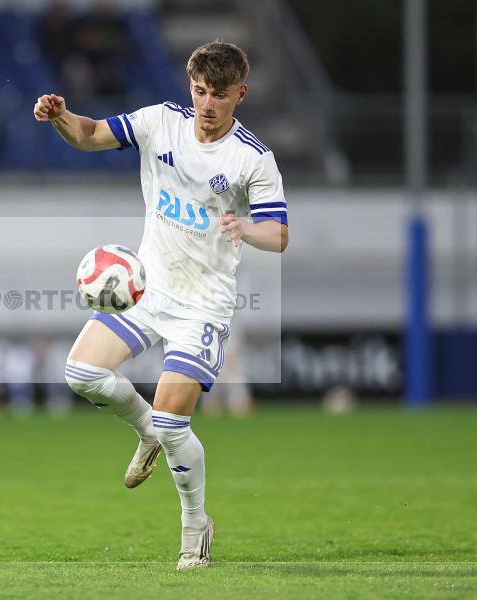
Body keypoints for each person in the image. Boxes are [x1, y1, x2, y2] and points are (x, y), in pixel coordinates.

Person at [33, 41, 289, 569]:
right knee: (80, 371)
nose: (208, 104)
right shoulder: (159, 122)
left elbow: (280, 234)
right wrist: (60, 117)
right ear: (190, 88)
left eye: (219, 94)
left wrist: (247, 227)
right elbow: (90, 135)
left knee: (178, 426)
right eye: (199, 92)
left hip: (203, 303)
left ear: (240, 93)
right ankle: (145, 428)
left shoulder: (252, 159)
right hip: (148, 287)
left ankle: (195, 525)